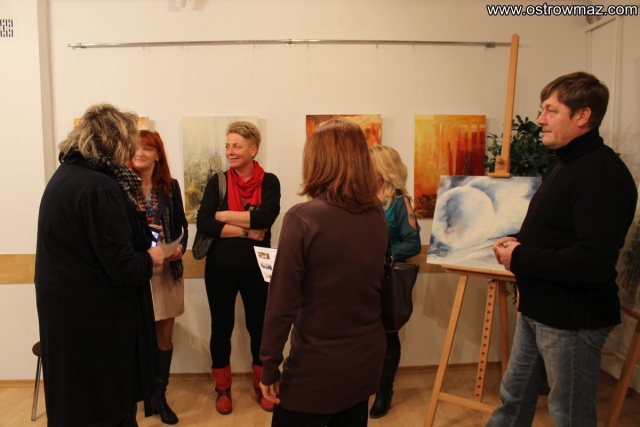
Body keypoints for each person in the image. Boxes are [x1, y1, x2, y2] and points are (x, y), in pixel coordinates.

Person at [486, 72, 638, 427]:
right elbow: (558, 232)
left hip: (572, 318)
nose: (540, 119)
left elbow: (591, 259)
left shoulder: (601, 173)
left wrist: (519, 256)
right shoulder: (567, 163)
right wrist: (519, 240)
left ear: (583, 115)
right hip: (541, 308)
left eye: (551, 110)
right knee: (513, 400)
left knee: (569, 416)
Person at [35, 104, 165, 427]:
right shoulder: (99, 187)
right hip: (97, 325)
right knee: (106, 410)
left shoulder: (65, 177)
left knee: (75, 407)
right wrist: (150, 258)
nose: (132, 152)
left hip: (71, 322)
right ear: (114, 142)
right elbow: (122, 266)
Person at [259, 119, 389, 427]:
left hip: (316, 368)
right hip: (365, 358)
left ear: (317, 161)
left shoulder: (303, 219)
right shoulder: (376, 214)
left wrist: (269, 365)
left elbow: (281, 305)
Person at [196, 121, 281, 414]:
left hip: (258, 267)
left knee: (260, 327)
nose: (230, 151)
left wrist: (224, 216)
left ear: (253, 149)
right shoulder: (217, 181)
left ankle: (263, 385)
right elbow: (205, 222)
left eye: (237, 146)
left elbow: (265, 218)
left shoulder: (269, 182)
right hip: (220, 268)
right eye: (228, 146)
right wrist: (245, 230)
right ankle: (223, 388)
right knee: (221, 327)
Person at [130, 130, 188, 425]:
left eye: (146, 148)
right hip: (135, 270)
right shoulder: (120, 186)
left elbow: (182, 225)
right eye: (135, 147)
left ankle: (159, 396)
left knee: (164, 335)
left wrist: (180, 248)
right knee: (134, 336)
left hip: (166, 269)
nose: (140, 152)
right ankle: (135, 396)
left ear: (157, 155)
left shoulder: (170, 187)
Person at [368, 145, 421, 418]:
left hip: (386, 280)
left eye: (370, 163)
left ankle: (384, 391)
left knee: (388, 335)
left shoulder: (400, 202)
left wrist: (381, 255)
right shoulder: (360, 198)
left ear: (384, 169)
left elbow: (413, 243)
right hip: (361, 280)